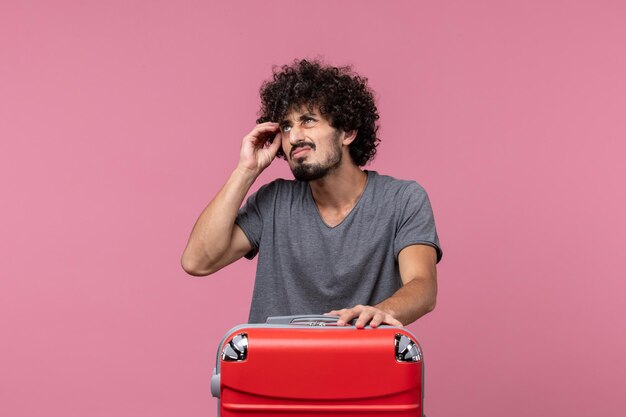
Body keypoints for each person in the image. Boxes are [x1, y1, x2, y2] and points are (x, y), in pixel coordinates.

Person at [181, 59, 442, 328]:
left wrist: (380, 312)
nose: (293, 137)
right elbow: (197, 261)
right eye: (286, 126)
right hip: (275, 366)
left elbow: (422, 286)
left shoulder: (402, 200)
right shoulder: (274, 202)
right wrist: (246, 170)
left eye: (307, 120)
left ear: (348, 132)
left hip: (363, 364)